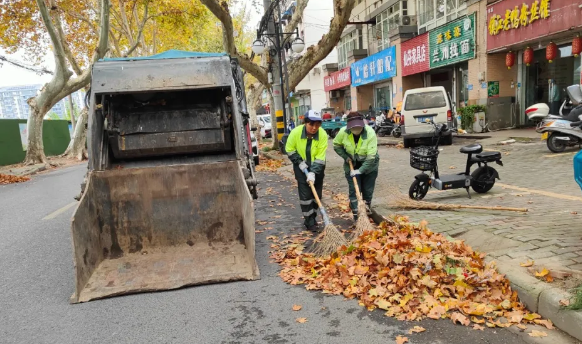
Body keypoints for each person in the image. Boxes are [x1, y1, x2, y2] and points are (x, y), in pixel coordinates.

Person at [285, 110, 328, 231]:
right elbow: (289, 149)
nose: (314, 128)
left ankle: (313, 217)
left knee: (316, 195)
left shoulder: (323, 134)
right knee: (305, 196)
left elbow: (320, 156)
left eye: (317, 124)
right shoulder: (295, 133)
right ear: (305, 123)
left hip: (317, 168)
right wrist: (300, 163)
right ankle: (309, 222)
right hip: (301, 168)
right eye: (311, 124)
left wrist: (313, 172)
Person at [333, 112, 379, 221]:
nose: (356, 129)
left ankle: (366, 212)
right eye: (353, 127)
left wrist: (360, 171)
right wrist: (345, 157)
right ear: (348, 126)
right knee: (354, 191)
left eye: (358, 126)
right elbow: (336, 145)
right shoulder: (343, 132)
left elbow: (371, 157)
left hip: (369, 166)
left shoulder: (370, 133)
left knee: (367, 191)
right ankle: (357, 217)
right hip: (351, 165)